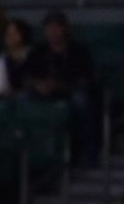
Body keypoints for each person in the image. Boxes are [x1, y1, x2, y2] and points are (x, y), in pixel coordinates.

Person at [22, 11, 99, 163]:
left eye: (57, 27)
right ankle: (31, 150)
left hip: (70, 91)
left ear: (66, 28)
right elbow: (26, 77)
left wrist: (61, 86)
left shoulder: (79, 51)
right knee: (23, 98)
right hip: (43, 92)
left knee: (81, 100)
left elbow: (86, 80)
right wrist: (39, 85)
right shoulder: (38, 51)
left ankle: (87, 152)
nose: (53, 32)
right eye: (49, 27)